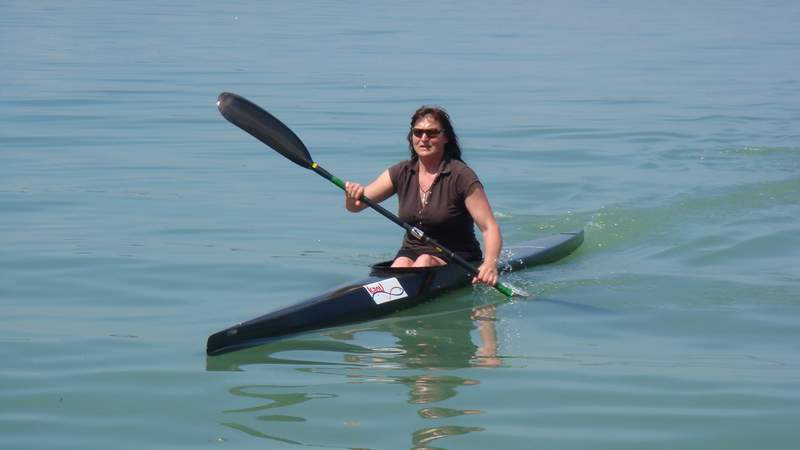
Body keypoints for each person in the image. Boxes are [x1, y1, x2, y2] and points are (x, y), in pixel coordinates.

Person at [344, 106, 502, 286]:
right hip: (410, 253)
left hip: (457, 256)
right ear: (411, 137)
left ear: (445, 138)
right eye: (418, 133)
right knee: (401, 263)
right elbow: (356, 206)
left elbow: (489, 227)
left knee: (424, 260)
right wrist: (351, 196)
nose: (424, 139)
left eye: (432, 133)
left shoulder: (461, 176)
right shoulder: (401, 172)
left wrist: (490, 264)